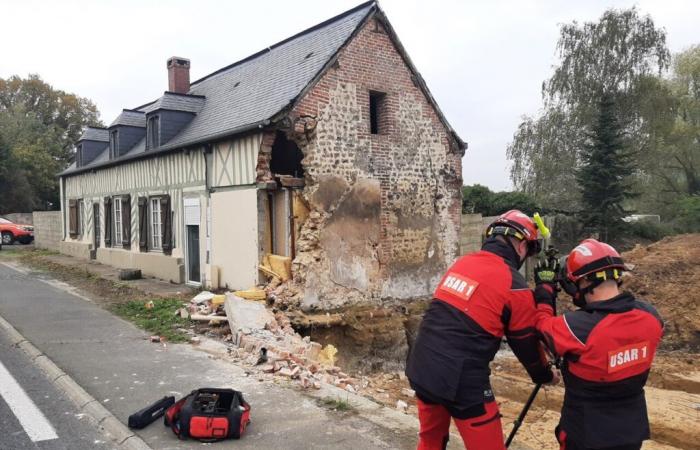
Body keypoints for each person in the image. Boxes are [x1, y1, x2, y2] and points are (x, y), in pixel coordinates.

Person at [406, 210, 558, 450]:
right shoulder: (514, 285)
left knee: (431, 440)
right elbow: (527, 344)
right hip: (462, 380)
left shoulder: (463, 262)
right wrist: (545, 376)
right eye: (529, 250)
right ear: (520, 244)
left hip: (421, 366)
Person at [533, 239, 664, 450]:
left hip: (585, 432)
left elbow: (541, 325)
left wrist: (544, 288)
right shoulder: (651, 316)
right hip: (630, 430)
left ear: (584, 282)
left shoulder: (578, 328)